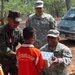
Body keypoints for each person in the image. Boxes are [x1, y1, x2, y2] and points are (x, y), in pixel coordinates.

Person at [0, 10, 24, 75]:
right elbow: (3, 48)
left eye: (18, 22)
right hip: (2, 61)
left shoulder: (18, 31)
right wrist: (17, 54)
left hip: (13, 61)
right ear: (9, 19)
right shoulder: (2, 31)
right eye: (15, 22)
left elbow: (24, 42)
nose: (17, 24)